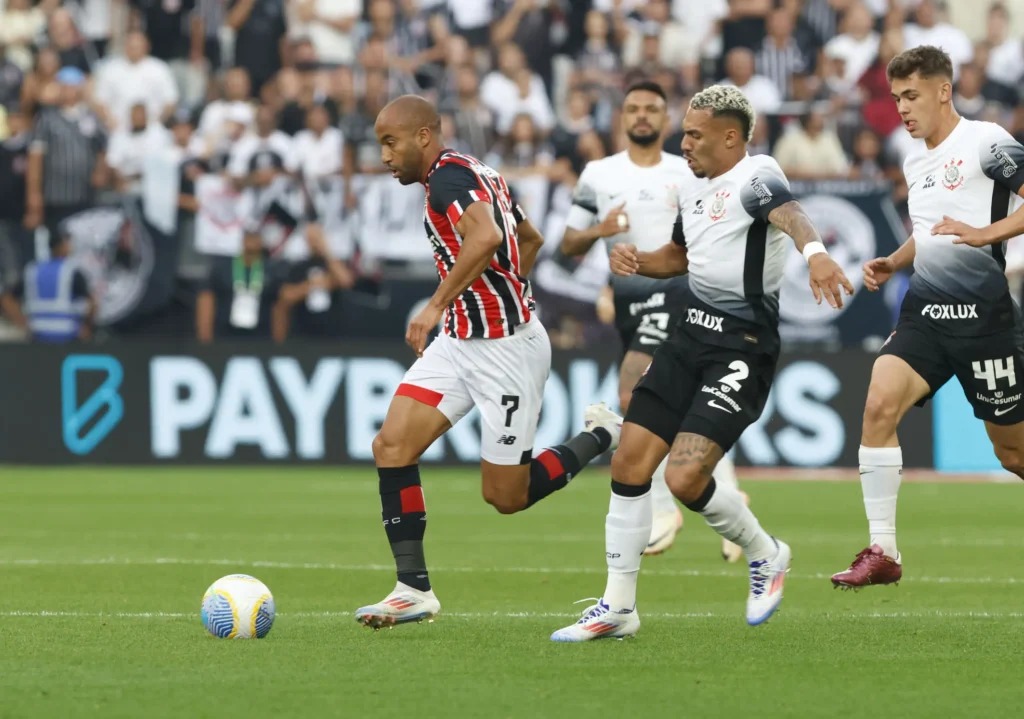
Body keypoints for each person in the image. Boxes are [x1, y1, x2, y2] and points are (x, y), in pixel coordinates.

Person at [550, 85, 854, 641]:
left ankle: (766, 553)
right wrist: (638, 259)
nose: (682, 142)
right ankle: (618, 607)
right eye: (684, 132)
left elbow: (790, 214)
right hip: (688, 335)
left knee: (686, 478)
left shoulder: (758, 173)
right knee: (629, 465)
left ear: (731, 137)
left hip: (742, 347)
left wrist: (818, 257)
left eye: (694, 133)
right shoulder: (691, 187)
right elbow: (681, 257)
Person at [354, 95, 623, 629]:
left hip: (504, 351)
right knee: (391, 445)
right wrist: (499, 289)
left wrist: (438, 304)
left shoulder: (448, 183)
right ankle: (413, 589)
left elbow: (488, 236)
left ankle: (600, 437)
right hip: (460, 342)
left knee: (506, 495)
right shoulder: (474, 171)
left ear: (424, 136)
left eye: (391, 142)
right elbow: (530, 238)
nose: (384, 155)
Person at [831, 46, 1024, 588]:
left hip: (986, 320)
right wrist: (894, 261)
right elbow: (931, 231)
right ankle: (883, 552)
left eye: (911, 95)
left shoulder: (987, 141)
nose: (903, 109)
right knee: (877, 403)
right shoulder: (915, 159)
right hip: (926, 314)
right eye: (896, 99)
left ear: (944, 90)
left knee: (1012, 453)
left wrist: (986, 233)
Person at [560, 80, 747, 561]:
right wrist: (603, 231)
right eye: (634, 108)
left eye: (652, 109)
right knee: (677, 407)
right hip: (629, 304)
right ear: (621, 117)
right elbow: (568, 245)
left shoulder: (687, 171)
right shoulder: (598, 174)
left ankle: (664, 511)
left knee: (633, 392)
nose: (642, 116)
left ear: (666, 120)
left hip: (680, 293)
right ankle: (727, 497)